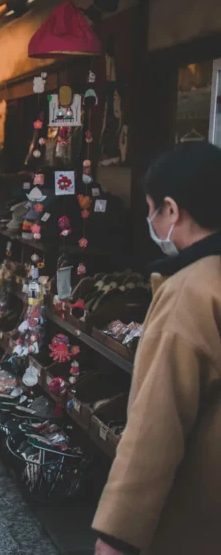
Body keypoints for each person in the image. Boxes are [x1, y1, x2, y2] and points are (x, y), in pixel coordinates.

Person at [93, 141, 221, 555]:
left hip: (197, 515)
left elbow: (157, 422)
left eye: (151, 209)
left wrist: (116, 534)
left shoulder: (189, 291)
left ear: (171, 209)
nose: (149, 219)